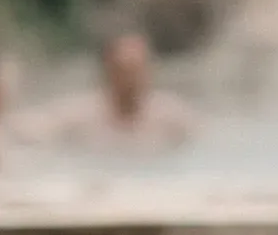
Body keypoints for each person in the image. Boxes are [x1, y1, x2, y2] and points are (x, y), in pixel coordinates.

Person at [37, 32, 194, 153]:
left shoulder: (170, 116)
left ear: (149, 72)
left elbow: (206, 144)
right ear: (109, 72)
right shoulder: (82, 113)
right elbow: (33, 129)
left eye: (136, 70)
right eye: (123, 70)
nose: (130, 79)